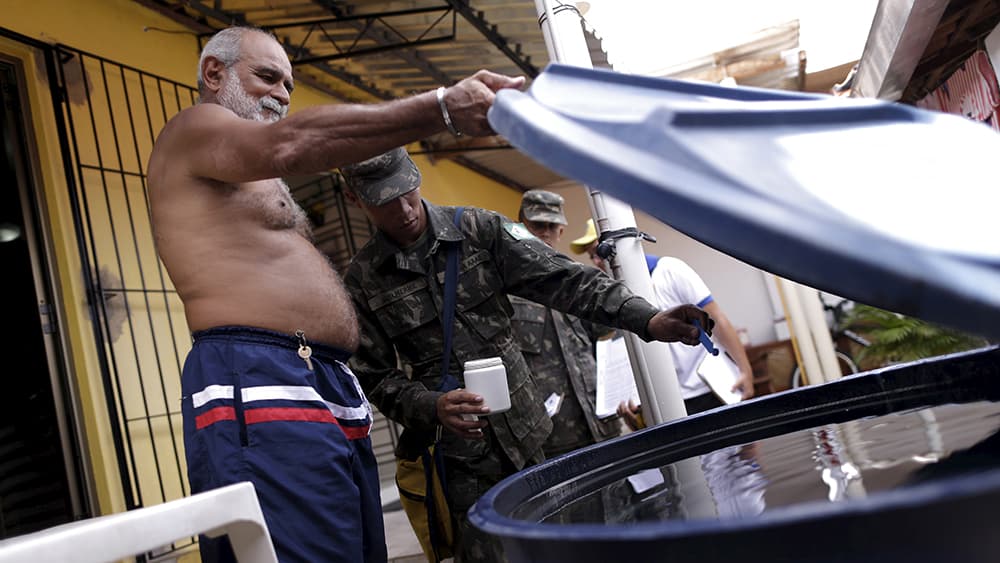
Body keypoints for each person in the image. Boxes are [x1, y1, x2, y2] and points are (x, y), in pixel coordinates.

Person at [146, 25, 526, 563]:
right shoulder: (198, 129)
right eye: (267, 77)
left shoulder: (248, 172)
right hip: (258, 376)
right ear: (214, 73)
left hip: (315, 378)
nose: (281, 94)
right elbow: (296, 141)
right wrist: (439, 107)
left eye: (289, 86)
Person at [340, 147, 713, 562]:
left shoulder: (479, 230)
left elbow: (568, 281)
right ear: (355, 200)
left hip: (533, 438)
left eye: (407, 193)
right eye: (384, 202)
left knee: (565, 551)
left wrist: (649, 319)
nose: (404, 210)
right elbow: (372, 376)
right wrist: (430, 406)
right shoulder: (362, 281)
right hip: (460, 463)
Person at [569, 219, 754, 426]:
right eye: (591, 256)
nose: (596, 261)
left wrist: (745, 370)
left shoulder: (670, 271)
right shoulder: (611, 299)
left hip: (711, 389)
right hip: (667, 404)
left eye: (600, 251)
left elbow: (717, 320)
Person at [508, 190, 621, 457]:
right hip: (548, 439)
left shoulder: (579, 282)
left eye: (552, 226)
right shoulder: (503, 287)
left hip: (601, 426)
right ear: (520, 224)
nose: (545, 233)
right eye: (538, 225)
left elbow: (609, 348)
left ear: (561, 230)